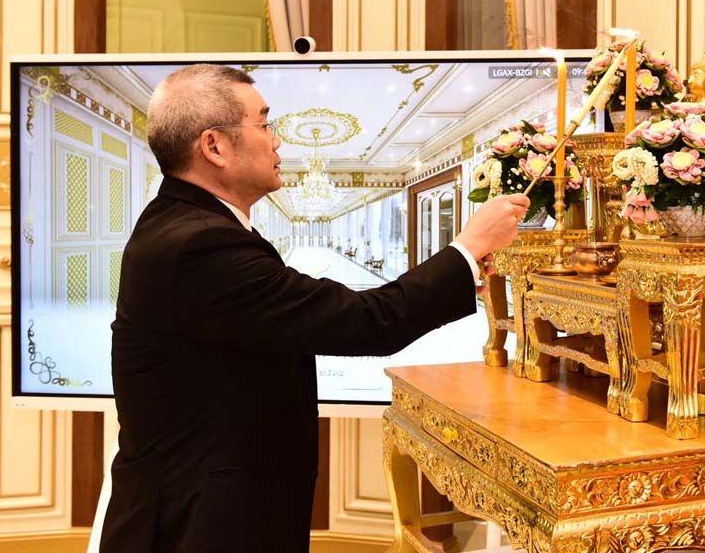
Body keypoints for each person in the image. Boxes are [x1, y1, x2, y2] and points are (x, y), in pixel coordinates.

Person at [100, 64, 529, 552]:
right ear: (214, 146)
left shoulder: (187, 224)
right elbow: (368, 321)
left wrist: (460, 269)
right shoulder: (199, 246)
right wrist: (468, 248)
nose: (277, 141)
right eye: (265, 124)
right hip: (198, 524)